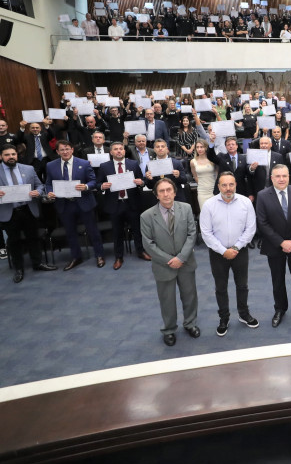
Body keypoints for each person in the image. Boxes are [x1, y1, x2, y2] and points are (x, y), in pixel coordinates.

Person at [0, 145, 56, 282]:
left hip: (28, 209)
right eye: (7, 155)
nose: (11, 157)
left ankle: (38, 263)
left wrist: (37, 192)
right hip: (9, 212)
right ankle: (18, 269)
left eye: (13, 154)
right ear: (0, 156)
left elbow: (40, 185)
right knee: (14, 241)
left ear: (17, 155)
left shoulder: (29, 169)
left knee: (33, 238)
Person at [140, 178, 200, 346]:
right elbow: (148, 244)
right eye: (162, 191)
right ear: (156, 195)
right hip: (163, 265)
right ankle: (169, 329)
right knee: (167, 299)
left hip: (185, 262)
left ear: (174, 192)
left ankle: (190, 323)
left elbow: (191, 234)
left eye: (169, 190)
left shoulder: (186, 208)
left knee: (189, 296)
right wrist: (170, 260)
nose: (166, 194)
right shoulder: (146, 216)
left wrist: (181, 257)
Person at [200, 171, 258, 337]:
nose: (228, 188)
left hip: (240, 252)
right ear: (218, 186)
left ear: (235, 185)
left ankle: (244, 314)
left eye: (231, 184)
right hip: (218, 254)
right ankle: (224, 318)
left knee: (242, 285)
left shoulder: (246, 202)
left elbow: (250, 229)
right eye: (224, 185)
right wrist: (223, 251)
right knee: (221, 288)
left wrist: (236, 248)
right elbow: (206, 233)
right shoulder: (209, 205)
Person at [255, 164, 291, 327]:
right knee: (277, 279)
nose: (281, 179)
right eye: (277, 176)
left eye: (284, 176)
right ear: (271, 178)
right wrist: (281, 242)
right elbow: (262, 223)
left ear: (288, 177)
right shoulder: (263, 195)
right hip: (274, 246)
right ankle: (280, 308)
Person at [45, 140, 106, 269]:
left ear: (72, 149)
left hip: (84, 202)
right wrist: (49, 192)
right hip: (64, 204)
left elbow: (93, 181)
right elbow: (48, 183)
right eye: (62, 150)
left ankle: (99, 255)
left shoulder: (83, 163)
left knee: (93, 231)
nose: (65, 152)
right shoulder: (50, 165)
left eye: (67, 149)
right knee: (70, 232)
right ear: (57, 152)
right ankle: (76, 257)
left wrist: (86, 186)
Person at [96, 141, 148, 268]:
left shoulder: (134, 164)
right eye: (116, 149)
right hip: (115, 204)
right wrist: (102, 186)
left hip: (132, 203)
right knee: (117, 233)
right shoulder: (104, 166)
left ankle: (141, 251)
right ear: (111, 152)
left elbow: (143, 181)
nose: (119, 151)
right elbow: (98, 184)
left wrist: (141, 182)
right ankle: (118, 257)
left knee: (137, 230)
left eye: (121, 149)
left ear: (124, 151)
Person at [190, 139, 217, 209]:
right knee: (204, 212)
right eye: (197, 147)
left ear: (206, 148)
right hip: (202, 191)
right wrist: (202, 185)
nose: (199, 149)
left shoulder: (212, 160)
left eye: (201, 147)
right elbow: (195, 176)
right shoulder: (193, 162)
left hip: (213, 189)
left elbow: (217, 174)